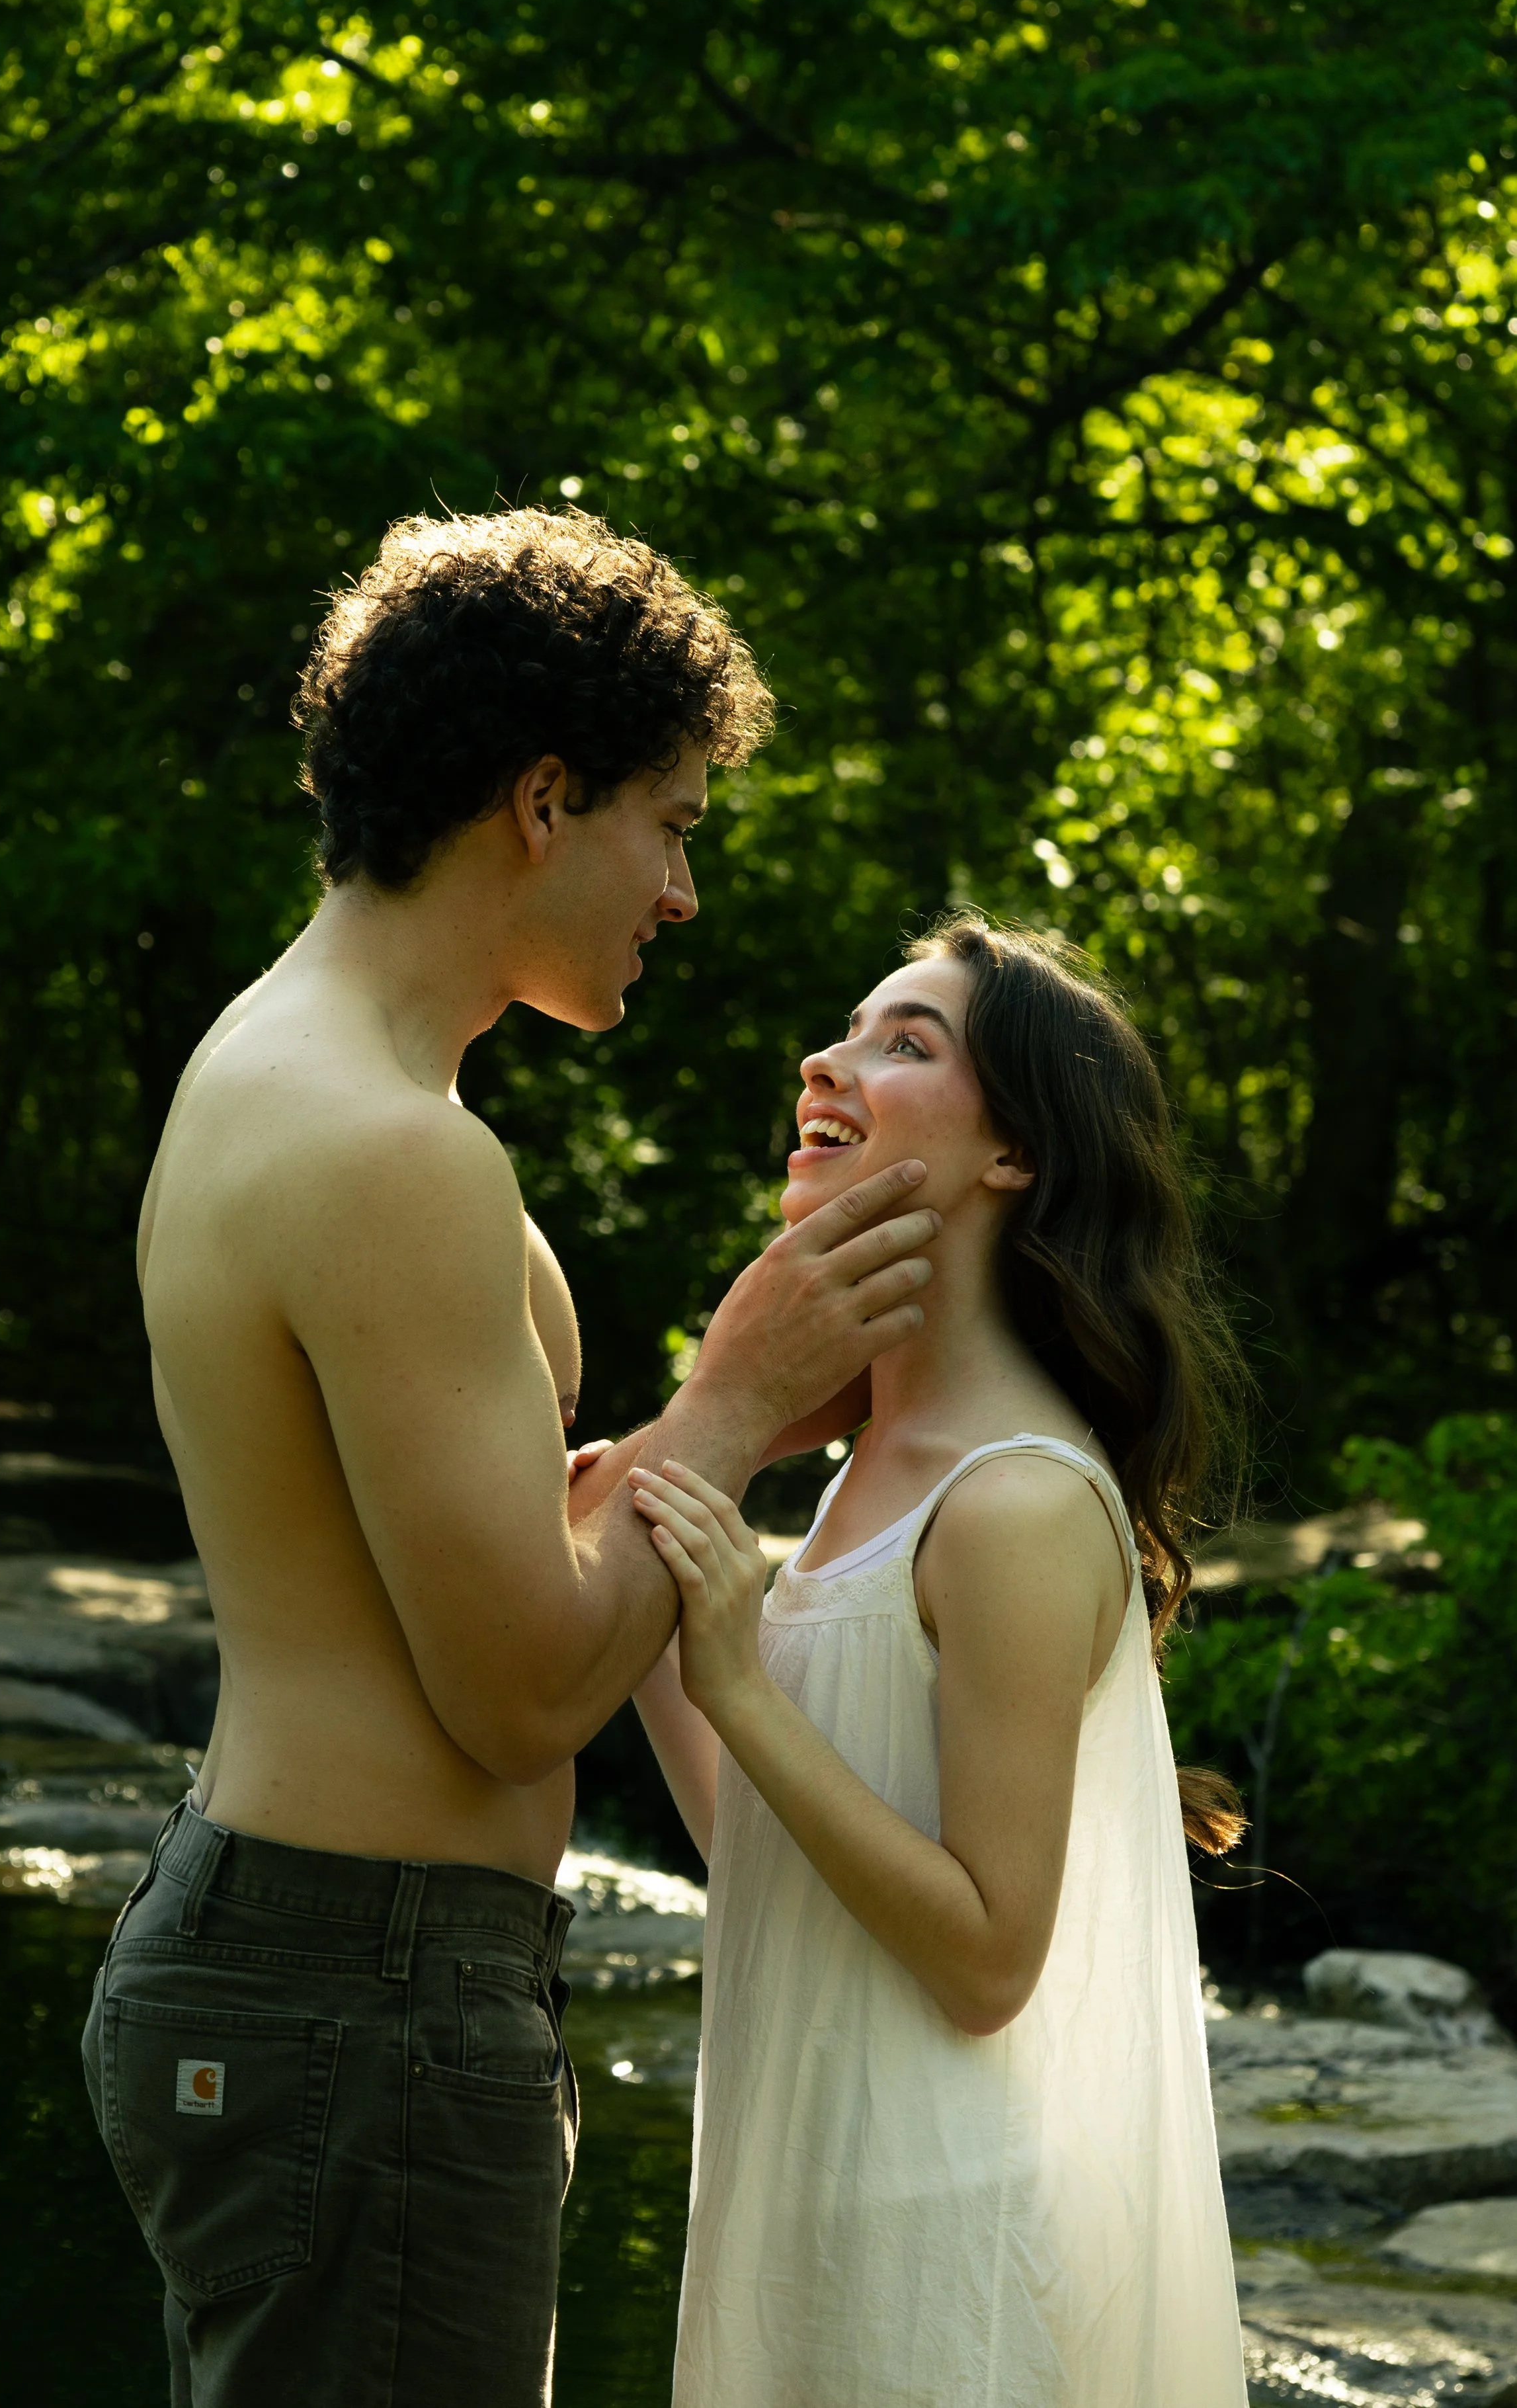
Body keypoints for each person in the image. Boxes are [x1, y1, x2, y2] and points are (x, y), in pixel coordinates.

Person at [79, 505, 942, 2408]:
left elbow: (450, 1575)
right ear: (545, 799)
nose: (681, 892)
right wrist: (728, 1399)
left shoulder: (300, 1069)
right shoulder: (391, 1148)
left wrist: (704, 1446)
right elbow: (519, 1692)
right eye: (673, 824)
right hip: (360, 1991)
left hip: (326, 1972)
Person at [620, 915, 1252, 2408]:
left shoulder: (1016, 1498)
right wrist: (661, 1627)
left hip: (942, 2261)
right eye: (846, 1032)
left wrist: (737, 1676)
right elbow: (773, 1860)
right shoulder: (863, 1472)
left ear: (1013, 1153)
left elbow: (984, 1959)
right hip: (814, 2216)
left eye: (904, 1043)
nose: (823, 1064)